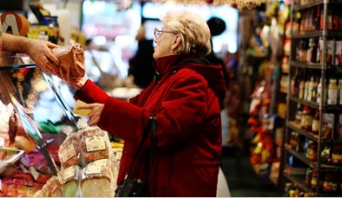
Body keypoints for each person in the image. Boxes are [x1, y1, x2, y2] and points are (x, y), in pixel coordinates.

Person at [55, 11, 227, 196]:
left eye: (161, 33)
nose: (156, 39)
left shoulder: (191, 80)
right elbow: (132, 109)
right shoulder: (169, 77)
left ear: (176, 41)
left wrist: (108, 114)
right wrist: (80, 85)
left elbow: (162, 130)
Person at [127, 23, 155, 88]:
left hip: (143, 81)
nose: (136, 36)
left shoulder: (145, 48)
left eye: (137, 33)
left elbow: (140, 63)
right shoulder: (144, 46)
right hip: (145, 81)